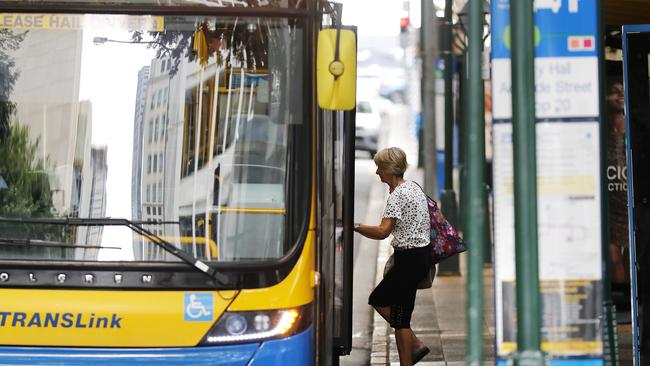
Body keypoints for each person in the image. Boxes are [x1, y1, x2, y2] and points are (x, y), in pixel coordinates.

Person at [353, 147, 432, 365]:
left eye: (380, 167)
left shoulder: (398, 195)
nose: (377, 172)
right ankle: (412, 350)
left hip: (409, 260)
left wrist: (356, 226)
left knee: (379, 300)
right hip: (419, 257)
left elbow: (382, 231)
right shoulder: (413, 187)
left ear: (390, 169)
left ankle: (415, 345)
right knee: (400, 316)